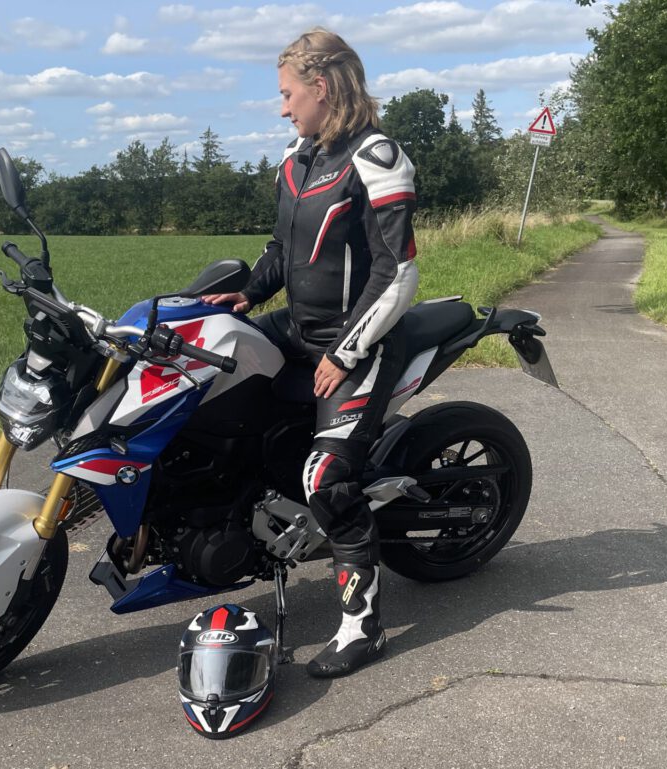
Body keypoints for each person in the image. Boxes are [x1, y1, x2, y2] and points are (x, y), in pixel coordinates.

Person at [204, 27, 418, 678]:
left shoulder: (378, 158)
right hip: (297, 328)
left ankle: (363, 626)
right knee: (204, 372)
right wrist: (244, 293)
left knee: (325, 480)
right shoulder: (298, 157)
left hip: (359, 345)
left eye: (288, 93)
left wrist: (347, 352)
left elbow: (398, 273)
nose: (282, 106)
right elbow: (281, 250)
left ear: (322, 88)